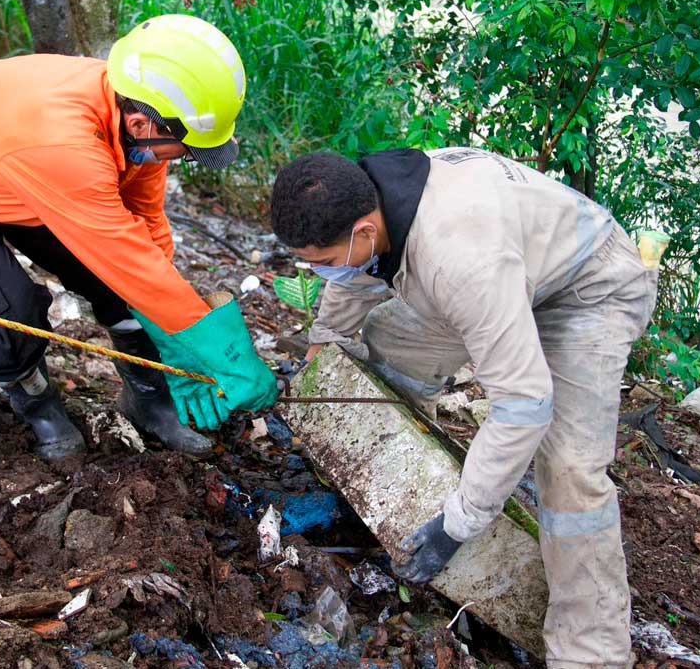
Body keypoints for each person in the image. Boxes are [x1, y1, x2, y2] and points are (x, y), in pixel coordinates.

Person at [269, 147, 657, 667]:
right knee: (391, 342)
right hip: (508, 273)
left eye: (320, 263)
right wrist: (326, 339)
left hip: (586, 290)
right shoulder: (371, 197)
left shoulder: (459, 261)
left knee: (569, 470)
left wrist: (460, 522)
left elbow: (524, 402)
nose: (319, 274)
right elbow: (356, 276)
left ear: (363, 231)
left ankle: (591, 651)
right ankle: (391, 491)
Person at [0, 14, 277, 460]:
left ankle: (149, 399)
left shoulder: (139, 123)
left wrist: (176, 339)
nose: (183, 158)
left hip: (5, 171)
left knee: (121, 284)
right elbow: (125, 258)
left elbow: (145, 232)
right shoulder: (66, 143)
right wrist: (218, 350)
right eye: (186, 149)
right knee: (5, 307)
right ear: (143, 125)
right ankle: (39, 405)